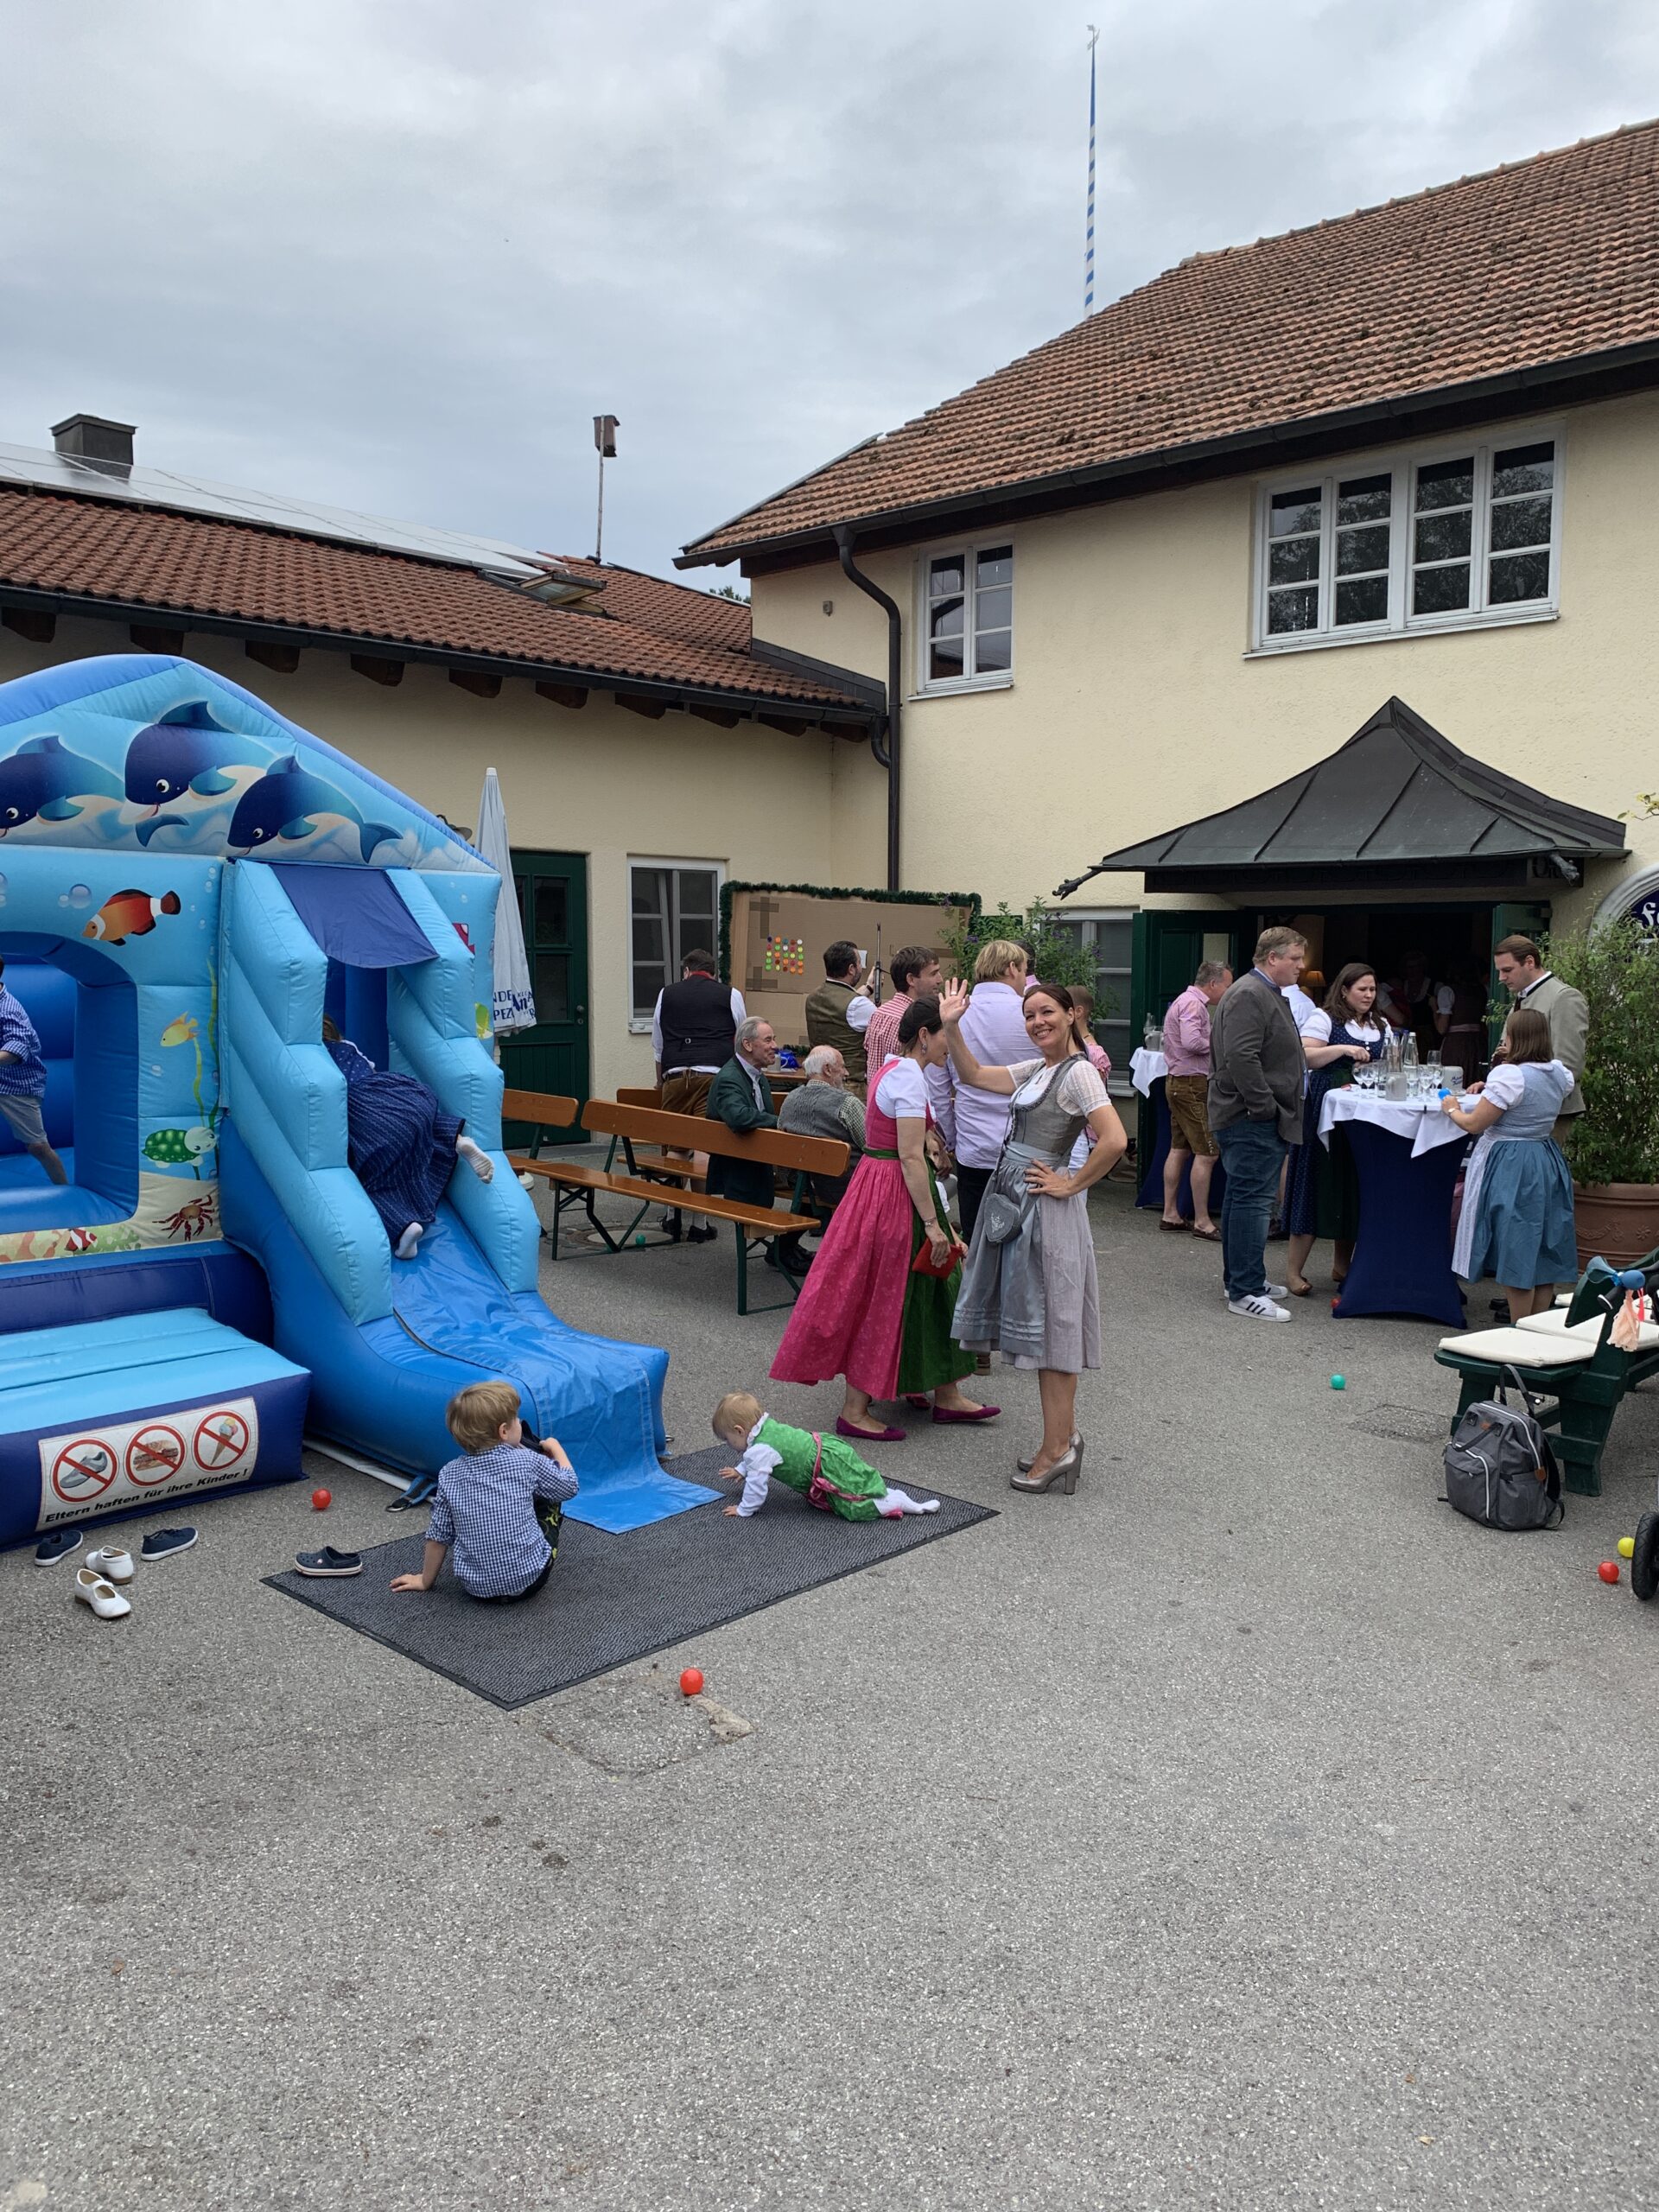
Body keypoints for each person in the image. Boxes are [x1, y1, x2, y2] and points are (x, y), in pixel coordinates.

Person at [771, 996, 992, 1440]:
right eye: (947, 1036)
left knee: (931, 1286)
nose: (953, 1046)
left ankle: (940, 1390)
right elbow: (909, 1156)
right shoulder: (908, 1077)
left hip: (880, 1185)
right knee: (887, 1293)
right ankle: (855, 1411)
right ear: (925, 1036)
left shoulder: (892, 1067)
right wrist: (934, 1224)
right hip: (894, 1191)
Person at [943, 979, 1128, 1494]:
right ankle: (1061, 1438)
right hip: (1018, 1202)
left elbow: (1114, 1139)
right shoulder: (1039, 1069)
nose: (1037, 1022)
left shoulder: (1078, 1072)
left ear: (1071, 1014)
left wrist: (1071, 1183)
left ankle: (1058, 1448)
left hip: (1044, 1211)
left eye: (1047, 1012)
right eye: (1029, 1015)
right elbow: (973, 1074)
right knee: (1045, 1328)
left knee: (1054, 1329)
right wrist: (952, 1026)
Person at [1443, 1007, 1578, 1320]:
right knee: (1541, 1248)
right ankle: (1536, 1327)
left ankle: (1520, 1329)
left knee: (1516, 1243)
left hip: (1512, 1161)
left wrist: (1450, 1107)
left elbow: (1474, 1123)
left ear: (1516, 1037)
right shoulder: (1559, 1073)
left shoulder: (1510, 1076)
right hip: (1545, 1157)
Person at [322, 1016, 493, 1261]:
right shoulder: (347, 1046)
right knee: (416, 1128)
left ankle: (404, 1228)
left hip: (364, 1109)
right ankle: (457, 1140)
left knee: (371, 1177)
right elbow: (371, 1070)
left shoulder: (315, 1058)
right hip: (400, 1093)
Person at [391, 1381, 577, 1603]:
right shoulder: (527, 1460)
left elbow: (438, 1535)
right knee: (551, 1492)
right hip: (530, 1579)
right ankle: (530, 1553)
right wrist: (556, 1449)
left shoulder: (449, 1474)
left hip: (476, 1588)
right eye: (516, 1419)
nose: (520, 1422)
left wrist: (424, 1580)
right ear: (504, 1431)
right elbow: (570, 1486)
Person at [1207, 927, 1308, 1322]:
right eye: (1295, 958)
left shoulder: (1260, 991)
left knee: (1242, 1198)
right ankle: (1245, 1291)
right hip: (1250, 1117)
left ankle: (1242, 1280)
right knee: (1253, 1201)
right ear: (1272, 958)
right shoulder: (1251, 993)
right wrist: (1264, 1106)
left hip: (1249, 1114)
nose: (1301, 966)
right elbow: (1241, 1057)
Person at [1283, 963, 1385, 1297]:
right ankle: (1293, 1271)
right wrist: (1342, 1049)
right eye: (1362, 989)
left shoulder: (1380, 1024)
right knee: (1314, 1182)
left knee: (1351, 1183)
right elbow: (1305, 1055)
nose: (1368, 995)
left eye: (1372, 989)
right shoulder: (1325, 1019)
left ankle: (1342, 1266)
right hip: (1323, 1111)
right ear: (1344, 991)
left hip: (1362, 1113)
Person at [712, 1392, 939, 1520]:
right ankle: (894, 1497)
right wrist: (741, 1470)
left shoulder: (757, 1451)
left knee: (849, 1505)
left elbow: (757, 1485)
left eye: (728, 1440)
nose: (730, 1445)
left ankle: (894, 1502)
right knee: (857, 1483)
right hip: (826, 1449)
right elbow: (761, 1455)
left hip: (822, 1467)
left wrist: (744, 1509)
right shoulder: (765, 1428)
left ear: (740, 1431)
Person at [938, 938, 1032, 1244]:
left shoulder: (954, 1013)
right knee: (1021, 1244)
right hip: (1024, 1145)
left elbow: (939, 1087)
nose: (1025, 979)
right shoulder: (1032, 1015)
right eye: (1024, 971)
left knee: (976, 1241)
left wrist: (949, 1138)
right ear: (1012, 968)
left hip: (973, 1141)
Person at [1492, 935, 1588, 1143]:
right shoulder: (1524, 995)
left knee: (1539, 1165)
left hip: (1547, 1112)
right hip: (1517, 1107)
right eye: (1499, 971)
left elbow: (1568, 1067)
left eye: (1507, 970)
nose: (1501, 978)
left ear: (1530, 962)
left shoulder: (1563, 997)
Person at [1160, 960, 1230, 1239]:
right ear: (1213, 984)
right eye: (1227, 985)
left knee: (1179, 1148)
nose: (1228, 991)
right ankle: (1202, 1221)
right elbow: (1192, 1042)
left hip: (1179, 1082)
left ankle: (1170, 1214)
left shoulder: (1184, 1001)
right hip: (1191, 1084)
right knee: (1208, 1152)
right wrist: (1219, 1043)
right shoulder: (1193, 1005)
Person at [652, 949, 746, 1119]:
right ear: (713, 975)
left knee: (673, 1134)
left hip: (675, 1078)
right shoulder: (731, 995)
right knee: (706, 1133)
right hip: (714, 1078)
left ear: (687, 971)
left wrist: (660, 1083)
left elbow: (659, 1046)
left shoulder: (665, 994)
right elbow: (742, 1042)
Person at [0, 956, 67, 1186]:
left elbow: (13, 1051)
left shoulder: (9, 1010)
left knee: (37, 1146)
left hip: (15, 1084)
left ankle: (64, 1189)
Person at [778, 1044, 865, 1213]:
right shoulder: (847, 1103)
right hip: (845, 1187)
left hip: (802, 1185)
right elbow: (872, 1145)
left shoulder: (790, 1099)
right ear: (827, 1069)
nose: (846, 1073)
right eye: (842, 1067)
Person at [861, 944, 944, 1073]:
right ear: (911, 979)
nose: (940, 979)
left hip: (877, 1085)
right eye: (933, 974)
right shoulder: (913, 1020)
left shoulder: (878, 1014)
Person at [804, 940, 876, 1087]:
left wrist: (868, 987)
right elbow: (882, 1021)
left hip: (818, 1082)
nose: (861, 968)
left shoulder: (812, 997)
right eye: (859, 963)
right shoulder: (859, 1005)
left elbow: (843, 1004)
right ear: (851, 969)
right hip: (850, 1084)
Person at [1434, 963, 1489, 1083]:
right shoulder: (1483, 990)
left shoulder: (1447, 991)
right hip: (1477, 1044)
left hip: (1456, 1045)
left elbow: (1442, 1029)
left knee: (1453, 1081)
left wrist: (1434, 1008)